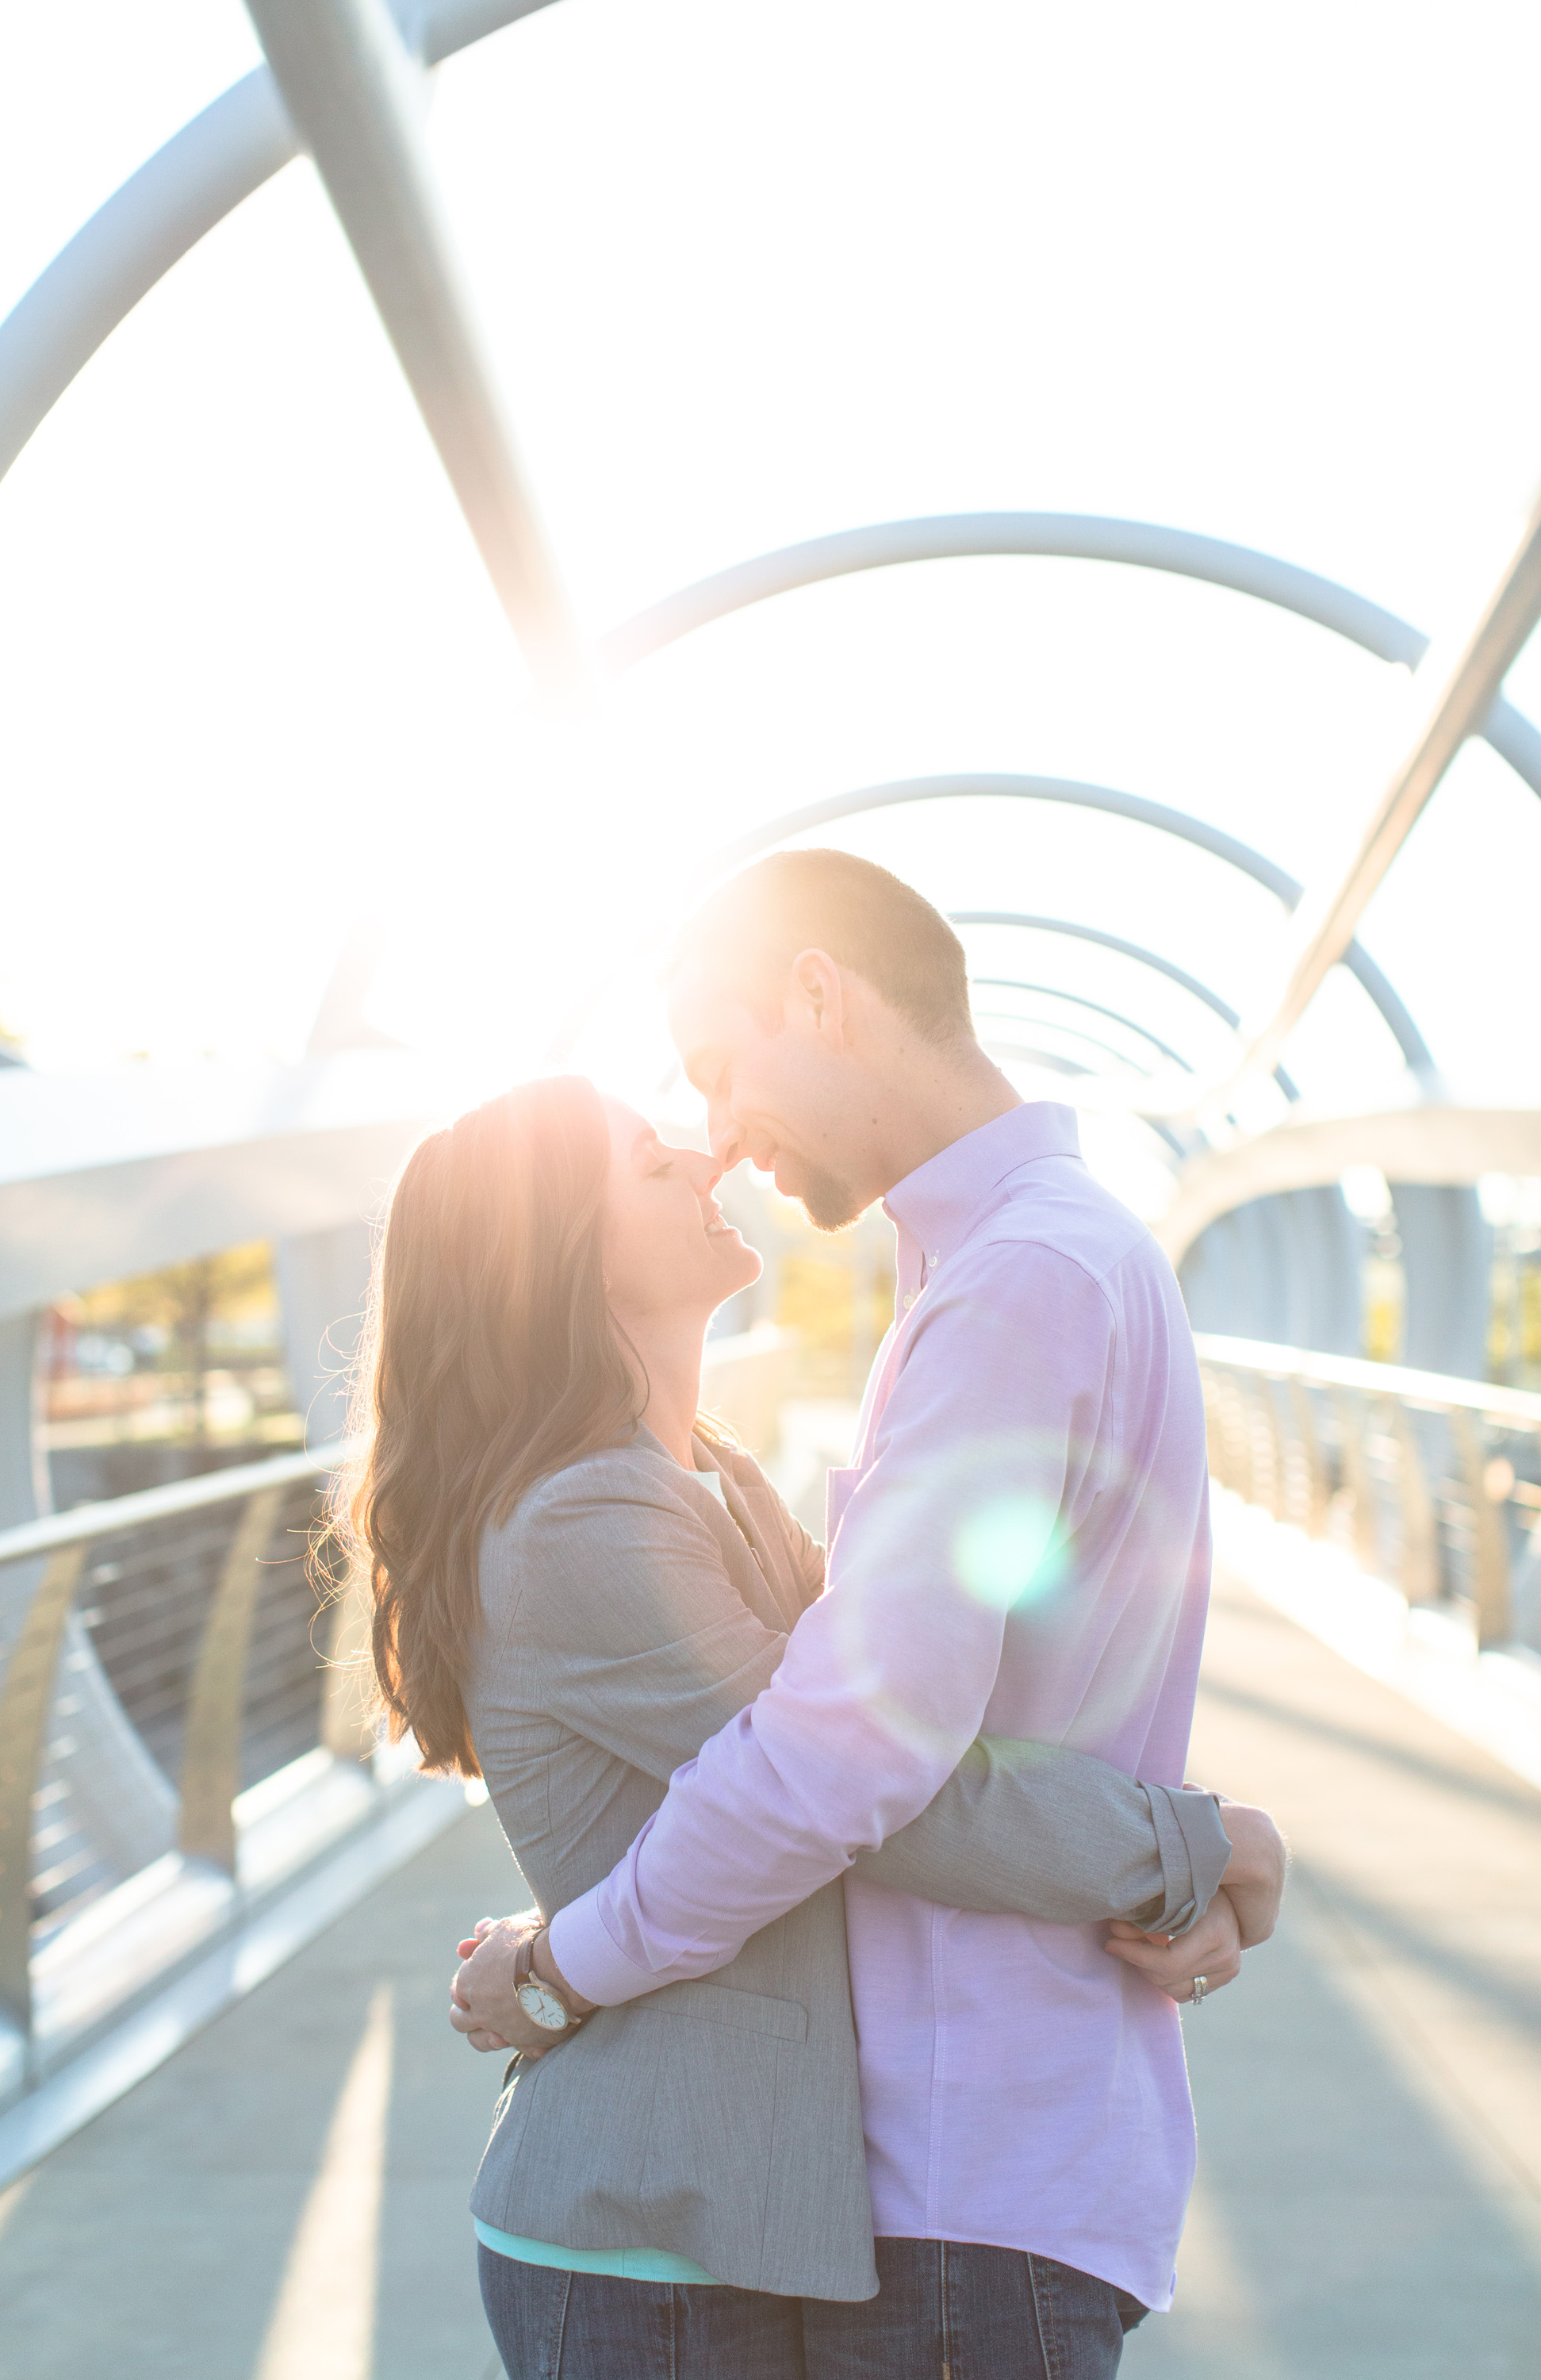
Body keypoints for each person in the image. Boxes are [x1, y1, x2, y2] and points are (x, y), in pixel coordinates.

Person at [447, 850, 1285, 2379]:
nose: (716, 1136)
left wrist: (567, 1962)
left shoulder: (1015, 1285)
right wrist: (1198, 1842)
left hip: (967, 2155)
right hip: (954, 2162)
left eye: (720, 1067)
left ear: (818, 997)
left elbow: (846, 1751)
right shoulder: (1007, 1266)